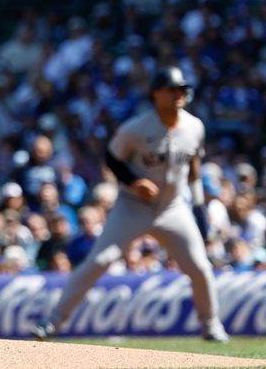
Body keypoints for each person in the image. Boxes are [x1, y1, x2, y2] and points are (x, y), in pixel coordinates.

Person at [33, 66, 229, 342]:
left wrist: (198, 206)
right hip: (133, 205)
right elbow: (112, 159)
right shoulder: (136, 128)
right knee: (98, 260)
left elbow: (194, 167)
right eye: (172, 90)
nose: (178, 95)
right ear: (155, 94)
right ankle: (51, 322)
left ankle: (210, 325)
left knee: (199, 267)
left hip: (173, 207)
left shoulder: (194, 126)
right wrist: (133, 181)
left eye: (182, 90)